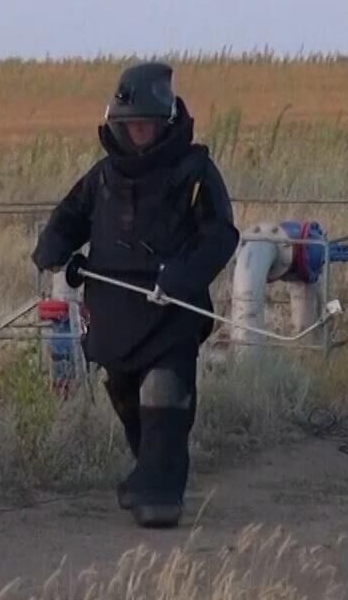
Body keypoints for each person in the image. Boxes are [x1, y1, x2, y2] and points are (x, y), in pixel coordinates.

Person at [31, 61, 240, 528]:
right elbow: (70, 216)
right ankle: (147, 473)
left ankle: (162, 494)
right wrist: (53, 248)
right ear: (117, 124)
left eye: (146, 124)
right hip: (115, 309)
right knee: (125, 393)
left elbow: (221, 235)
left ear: (165, 121)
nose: (139, 132)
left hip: (170, 311)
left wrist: (183, 276)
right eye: (130, 125)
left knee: (164, 394)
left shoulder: (195, 170)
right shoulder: (103, 175)